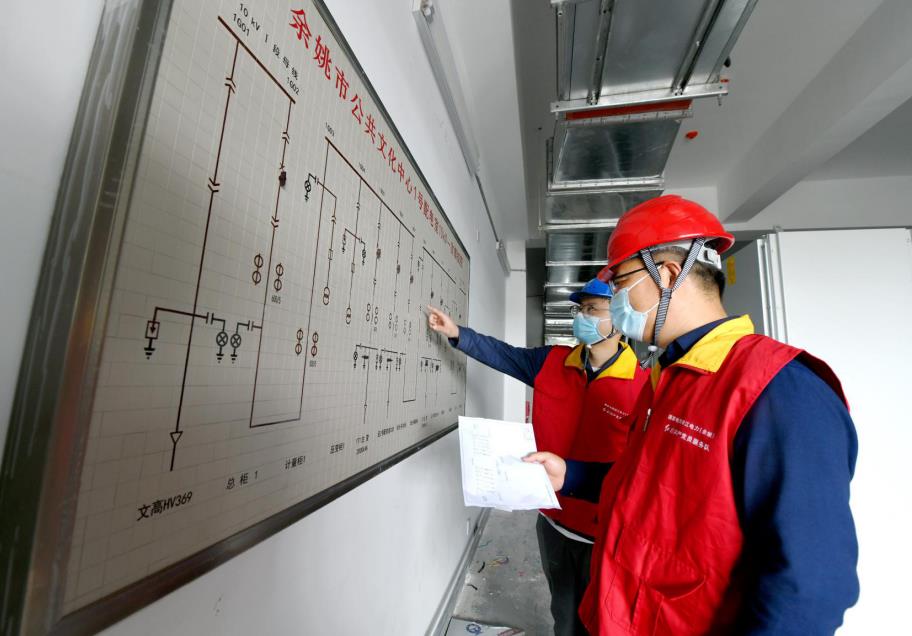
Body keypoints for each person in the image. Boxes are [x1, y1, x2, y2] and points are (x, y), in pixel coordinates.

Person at [526, 195, 859, 635]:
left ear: (666, 274)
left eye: (620, 283)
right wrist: (571, 474)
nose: (616, 299)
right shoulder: (667, 377)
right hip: (618, 615)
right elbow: (650, 485)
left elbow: (809, 591)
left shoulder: (780, 390)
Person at [427, 278, 648, 636]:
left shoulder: (642, 386)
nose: (583, 317)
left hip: (603, 533)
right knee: (563, 614)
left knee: (600, 622)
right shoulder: (552, 361)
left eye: (593, 309)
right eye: (581, 309)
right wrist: (457, 334)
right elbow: (504, 355)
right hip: (553, 523)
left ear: (620, 320)